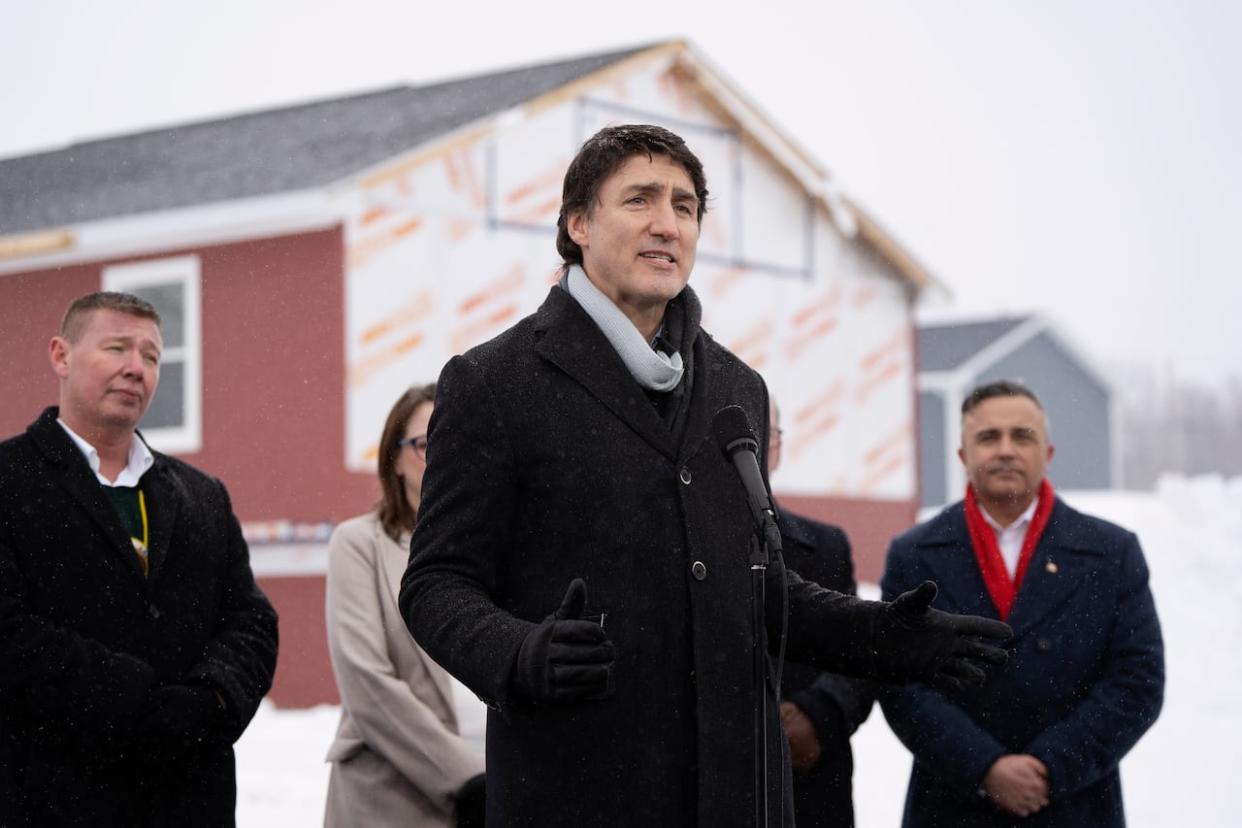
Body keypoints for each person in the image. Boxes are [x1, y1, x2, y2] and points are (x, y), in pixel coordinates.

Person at [399, 124, 1011, 827]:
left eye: (685, 207)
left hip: (739, 795)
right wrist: (519, 652)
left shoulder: (735, 387)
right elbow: (436, 583)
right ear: (577, 224)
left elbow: (752, 587)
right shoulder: (493, 383)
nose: (667, 224)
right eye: (639, 200)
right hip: (579, 791)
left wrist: (880, 636)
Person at [0, 291, 279, 827]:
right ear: (60, 355)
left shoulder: (202, 495)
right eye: (117, 348)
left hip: (189, 798)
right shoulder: (10, 480)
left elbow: (251, 621)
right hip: (49, 797)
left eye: (151, 356)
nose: (136, 369)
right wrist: (136, 701)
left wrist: (212, 698)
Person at [880, 380, 1164, 827]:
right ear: (962, 456)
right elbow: (900, 684)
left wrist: (1051, 767)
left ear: (1047, 453)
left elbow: (1137, 681)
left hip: (1076, 805)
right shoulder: (914, 554)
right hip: (952, 803)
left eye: (1022, 435)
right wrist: (984, 767)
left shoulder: (1111, 552)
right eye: (988, 437)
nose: (1006, 450)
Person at [323, 384, 485, 828]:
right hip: (394, 799)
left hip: (504, 791)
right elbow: (367, 684)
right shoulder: (360, 545)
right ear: (393, 460)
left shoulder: (497, 548)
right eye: (424, 443)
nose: (443, 452)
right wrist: (469, 778)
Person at [768, 400, 876, 828]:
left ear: (778, 447)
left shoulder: (826, 547)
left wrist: (817, 714)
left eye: (767, 432)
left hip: (809, 788)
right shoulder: (666, 544)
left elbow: (859, 657)